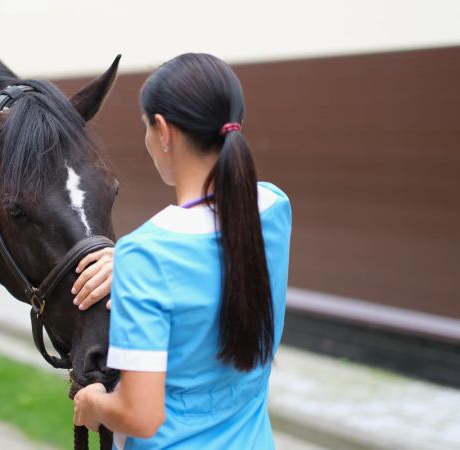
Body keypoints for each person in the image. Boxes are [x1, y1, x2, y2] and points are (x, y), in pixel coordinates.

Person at [70, 53, 292, 449]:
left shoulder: (147, 256)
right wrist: (133, 260)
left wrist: (94, 403)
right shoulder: (274, 209)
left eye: (145, 128)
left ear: (163, 131)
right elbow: (214, 248)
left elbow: (141, 415)